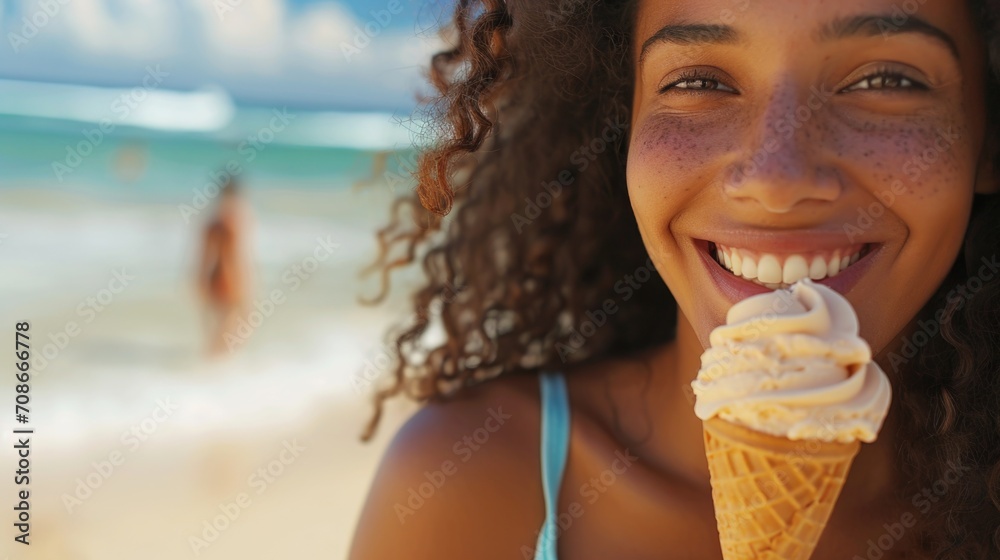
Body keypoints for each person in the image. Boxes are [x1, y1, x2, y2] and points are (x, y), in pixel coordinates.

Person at [350, 1, 1000, 558]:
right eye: (701, 82)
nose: (775, 180)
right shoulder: (473, 482)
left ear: (987, 136)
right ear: (624, 123)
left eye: (884, 79)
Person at [197, 178, 251, 356]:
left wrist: (200, 281)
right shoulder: (235, 220)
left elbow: (204, 258)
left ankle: (214, 362)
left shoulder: (213, 221)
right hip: (230, 278)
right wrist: (245, 283)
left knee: (219, 324)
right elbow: (239, 258)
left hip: (214, 276)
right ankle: (218, 363)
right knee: (233, 324)